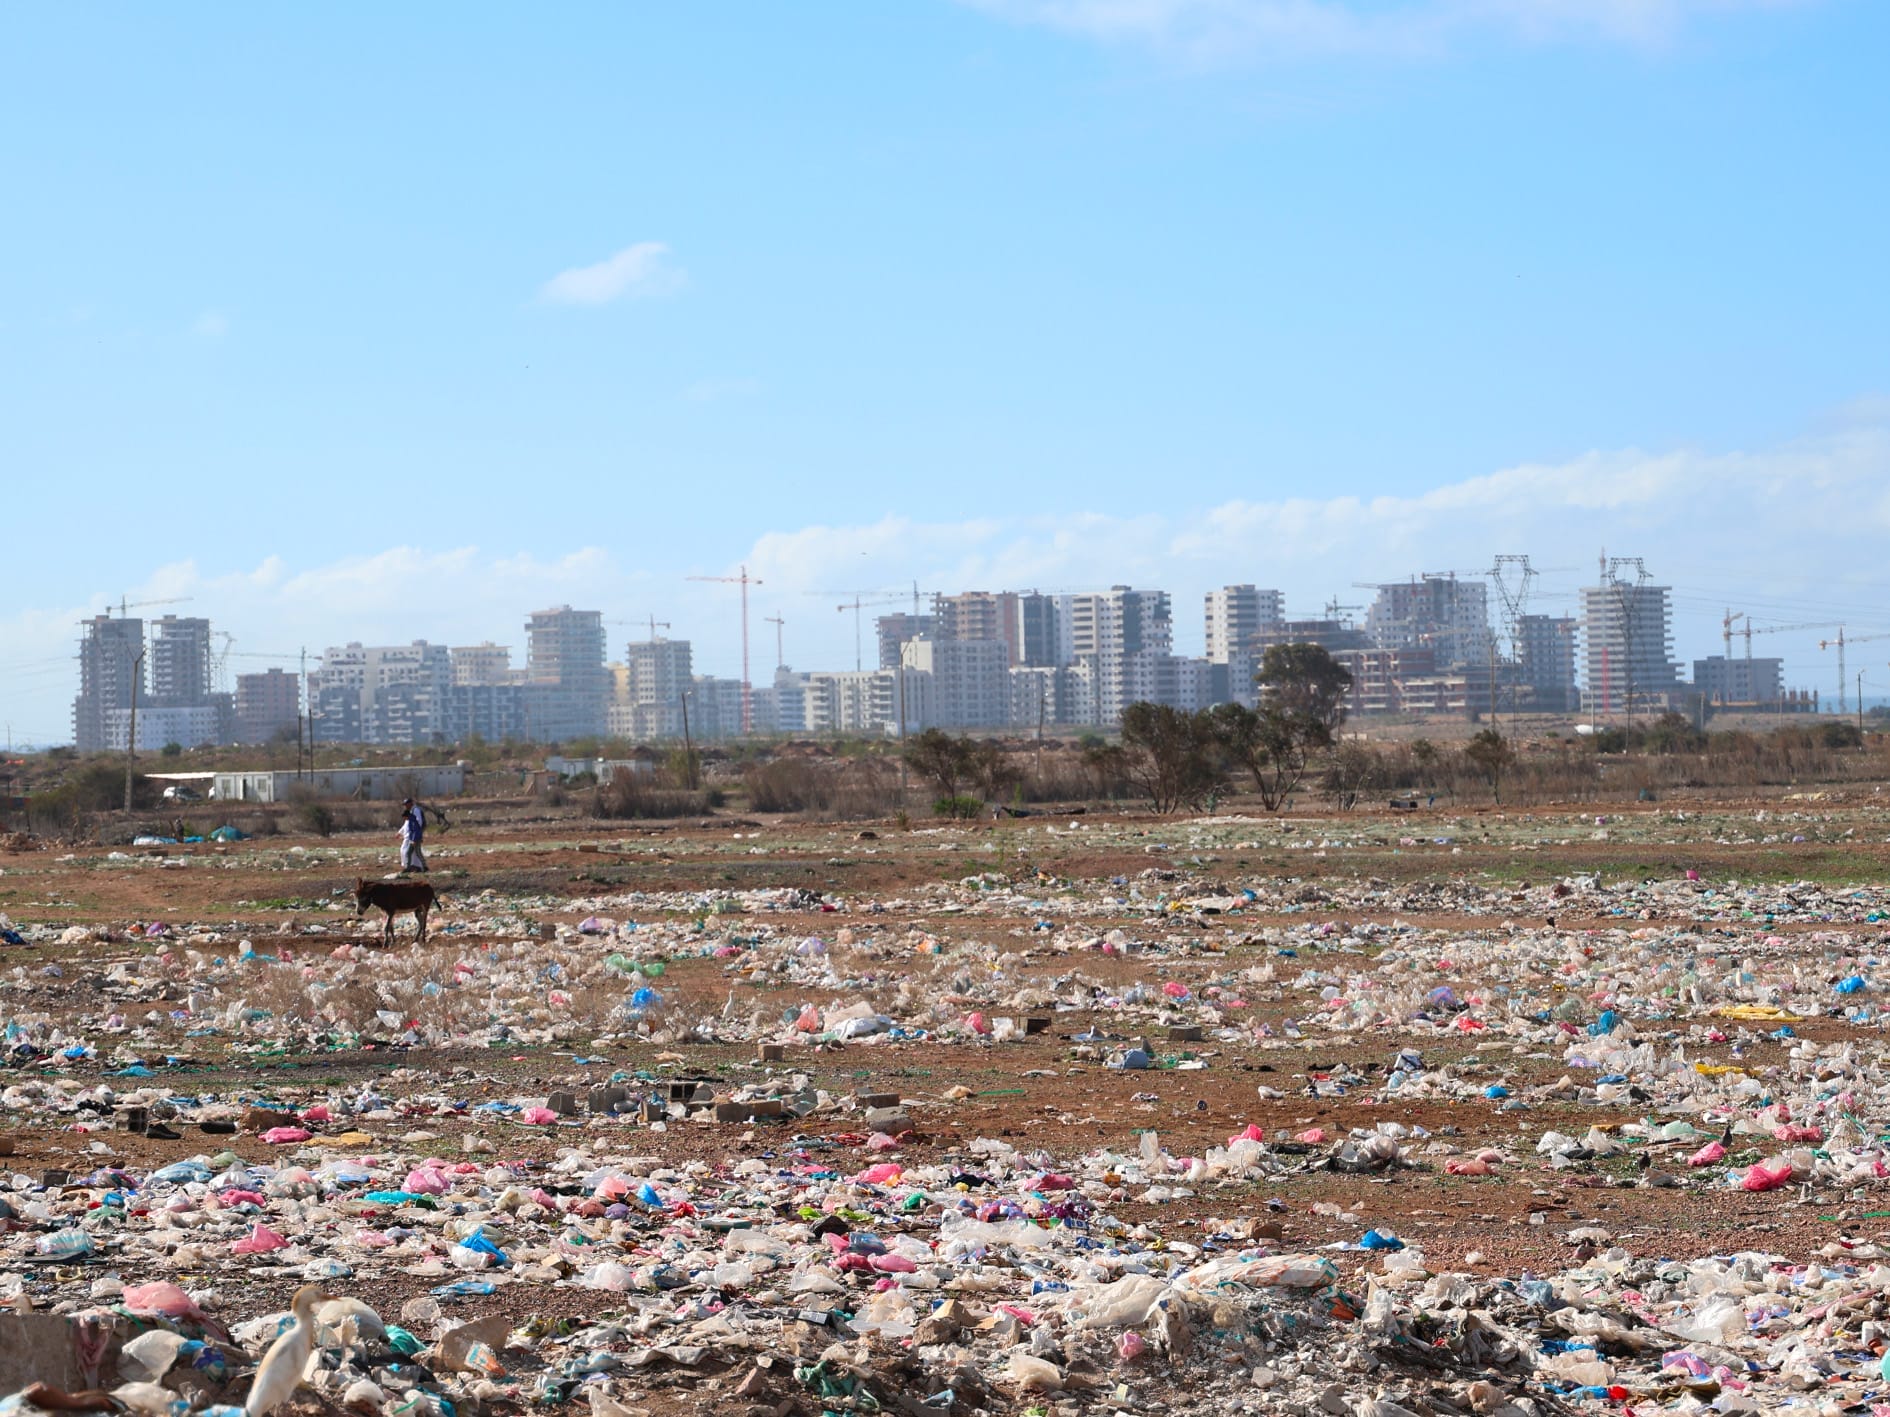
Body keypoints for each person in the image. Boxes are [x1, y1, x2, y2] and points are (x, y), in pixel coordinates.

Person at [398, 797, 428, 873]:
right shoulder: (411, 813)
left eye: (406, 804)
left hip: (415, 837)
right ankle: (411, 867)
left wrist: (415, 838)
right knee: (411, 852)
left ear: (410, 803)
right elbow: (408, 825)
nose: (405, 806)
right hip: (413, 837)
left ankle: (422, 867)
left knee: (416, 852)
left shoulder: (415, 811)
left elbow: (418, 826)